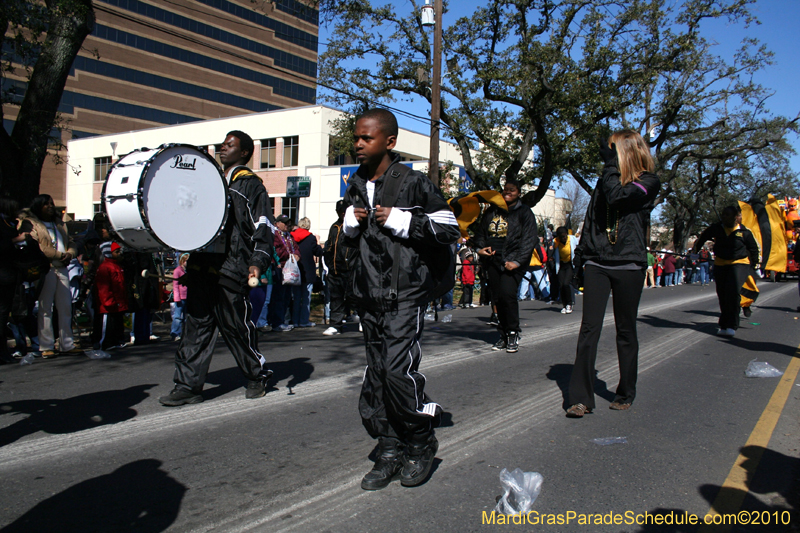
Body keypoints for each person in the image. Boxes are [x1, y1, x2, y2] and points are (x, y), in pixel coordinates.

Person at [342, 109, 460, 490]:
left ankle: (421, 440)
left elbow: (450, 228)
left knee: (396, 372)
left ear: (389, 142)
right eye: (356, 137)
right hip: (368, 296)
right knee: (377, 376)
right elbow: (347, 236)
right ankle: (390, 447)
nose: (358, 144)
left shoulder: (413, 182)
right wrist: (348, 222)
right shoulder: (355, 183)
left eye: (367, 138)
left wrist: (405, 221)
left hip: (405, 295)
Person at [159, 130, 274, 406]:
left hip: (231, 269)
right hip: (202, 269)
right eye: (222, 144)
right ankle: (187, 386)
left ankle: (256, 375)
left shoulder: (250, 185)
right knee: (195, 328)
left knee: (236, 327)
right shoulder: (208, 183)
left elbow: (263, 228)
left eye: (230, 145)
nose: (223, 148)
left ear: (244, 153)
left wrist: (257, 262)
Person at [565, 130, 660, 418]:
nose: (606, 155)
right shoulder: (604, 180)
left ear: (625, 150)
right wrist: (579, 260)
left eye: (611, 149)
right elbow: (592, 219)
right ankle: (580, 398)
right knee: (588, 330)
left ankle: (625, 391)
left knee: (625, 330)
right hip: (598, 262)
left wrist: (610, 166)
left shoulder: (648, 181)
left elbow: (619, 198)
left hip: (629, 264)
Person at [474, 180, 539, 352]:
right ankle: (502, 334)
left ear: (519, 193)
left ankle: (512, 333)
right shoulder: (491, 211)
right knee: (497, 298)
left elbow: (529, 240)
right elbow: (480, 234)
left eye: (512, 190)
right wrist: (480, 249)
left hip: (513, 261)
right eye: (505, 190)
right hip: (493, 261)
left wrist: (517, 262)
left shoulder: (524, 212)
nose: (507, 192)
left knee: (507, 294)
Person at [18, 194, 82, 358]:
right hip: (47, 268)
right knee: (45, 308)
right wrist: (59, 255)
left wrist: (70, 253)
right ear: (38, 206)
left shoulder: (59, 223)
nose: (50, 206)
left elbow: (71, 241)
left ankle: (66, 344)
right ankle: (46, 345)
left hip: (63, 267)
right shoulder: (31, 223)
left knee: (65, 306)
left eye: (51, 203)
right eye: (46, 204)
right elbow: (37, 245)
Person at [692, 205, 759, 337]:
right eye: (723, 214)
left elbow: (753, 248)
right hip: (720, 264)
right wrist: (695, 252)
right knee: (722, 294)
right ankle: (724, 324)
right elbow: (702, 237)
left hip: (739, 264)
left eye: (727, 215)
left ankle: (731, 325)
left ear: (736, 217)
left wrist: (755, 264)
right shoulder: (716, 228)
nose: (724, 217)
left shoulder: (744, 232)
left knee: (732, 293)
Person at [322, 200, 356, 335]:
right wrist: (329, 264)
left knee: (354, 296)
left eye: (344, 211)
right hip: (336, 269)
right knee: (336, 298)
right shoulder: (334, 227)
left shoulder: (355, 226)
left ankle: (362, 320)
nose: (342, 213)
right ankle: (336, 325)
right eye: (340, 211)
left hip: (351, 269)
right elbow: (329, 246)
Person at [0, 198, 27, 364]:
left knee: (5, 314)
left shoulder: (9, 223)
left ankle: (3, 351)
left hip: (10, 274)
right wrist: (16, 240)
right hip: (3, 275)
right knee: (2, 313)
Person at [93, 242, 129, 350]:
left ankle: (116, 341)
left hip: (117, 303)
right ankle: (104, 343)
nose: (119, 254)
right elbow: (104, 288)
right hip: (109, 305)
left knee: (117, 324)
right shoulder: (105, 267)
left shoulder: (116, 266)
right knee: (107, 325)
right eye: (116, 252)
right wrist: (108, 302)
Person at [269, 214, 300, 332]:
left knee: (287, 296)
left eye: (288, 223)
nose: (287, 225)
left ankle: (282, 320)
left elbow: (296, 248)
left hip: (289, 270)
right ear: (277, 224)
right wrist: (290, 255)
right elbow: (277, 251)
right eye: (285, 223)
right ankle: (276, 322)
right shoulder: (275, 235)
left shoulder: (289, 236)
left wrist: (297, 255)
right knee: (278, 296)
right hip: (279, 268)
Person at [290, 217, 322, 328]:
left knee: (296, 298)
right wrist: (318, 242)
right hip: (308, 271)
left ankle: (294, 320)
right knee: (306, 298)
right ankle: (303, 321)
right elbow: (318, 252)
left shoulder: (292, 236)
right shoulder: (311, 238)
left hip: (295, 270)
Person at [554, 226, 578, 314]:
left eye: (565, 236)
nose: (564, 238)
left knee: (566, 284)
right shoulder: (556, 242)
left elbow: (579, 247)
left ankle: (569, 303)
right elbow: (552, 252)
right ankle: (564, 305)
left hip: (569, 264)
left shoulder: (572, 239)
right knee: (561, 285)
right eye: (561, 237)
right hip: (561, 265)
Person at [170, 253, 189, 341]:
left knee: (186, 317)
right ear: (182, 261)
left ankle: (184, 333)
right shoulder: (177, 271)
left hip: (187, 296)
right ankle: (175, 333)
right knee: (177, 316)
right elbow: (175, 285)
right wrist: (177, 297)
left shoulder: (187, 271)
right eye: (186, 261)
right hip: (180, 297)